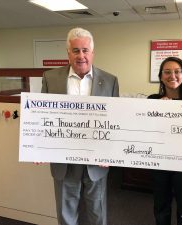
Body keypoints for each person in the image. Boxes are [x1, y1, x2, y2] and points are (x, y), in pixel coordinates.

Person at [41, 27, 119, 225]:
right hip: (63, 162)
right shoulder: (50, 78)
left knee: (97, 213)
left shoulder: (110, 81)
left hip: (96, 162)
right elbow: (42, 117)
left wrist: (110, 152)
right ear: (68, 53)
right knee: (66, 215)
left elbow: (116, 121)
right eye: (76, 50)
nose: (81, 55)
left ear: (92, 53)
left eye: (85, 50)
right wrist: (38, 148)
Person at [148, 56, 182, 225]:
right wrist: (160, 110)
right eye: (167, 72)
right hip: (160, 161)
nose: (173, 75)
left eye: (177, 71)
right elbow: (147, 132)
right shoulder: (152, 100)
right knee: (161, 207)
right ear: (161, 76)